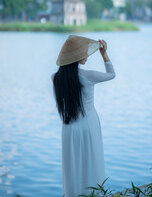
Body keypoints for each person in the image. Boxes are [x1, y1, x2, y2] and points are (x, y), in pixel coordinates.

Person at [51, 35, 116, 197]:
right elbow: (111, 74)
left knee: (72, 165)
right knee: (91, 160)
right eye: (83, 53)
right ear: (75, 57)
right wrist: (104, 54)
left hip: (69, 127)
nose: (86, 56)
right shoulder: (89, 76)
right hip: (88, 124)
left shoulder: (55, 78)